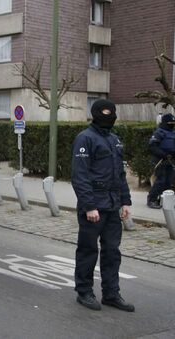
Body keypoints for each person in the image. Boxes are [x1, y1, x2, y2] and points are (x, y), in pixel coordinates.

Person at [71, 99, 135, 312]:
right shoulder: (85, 139)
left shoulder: (115, 140)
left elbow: (120, 174)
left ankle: (111, 293)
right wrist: (89, 206)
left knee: (112, 252)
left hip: (113, 205)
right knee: (88, 250)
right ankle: (84, 292)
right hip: (93, 207)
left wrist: (125, 201)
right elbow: (80, 176)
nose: (108, 117)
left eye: (111, 113)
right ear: (95, 114)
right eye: (104, 113)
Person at [147, 113, 175, 209]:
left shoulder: (173, 132)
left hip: (171, 161)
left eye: (173, 122)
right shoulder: (159, 132)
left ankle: (165, 201)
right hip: (160, 160)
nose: (172, 124)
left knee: (168, 182)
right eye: (170, 122)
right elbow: (152, 146)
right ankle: (152, 200)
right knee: (160, 181)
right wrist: (163, 154)